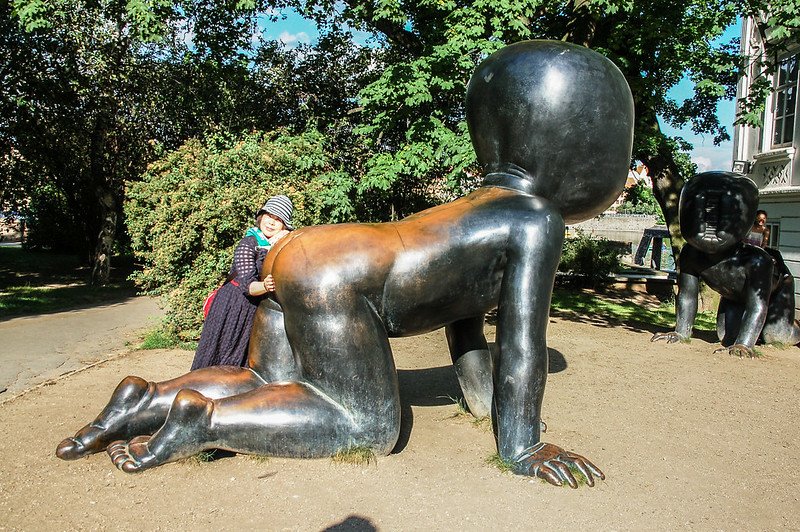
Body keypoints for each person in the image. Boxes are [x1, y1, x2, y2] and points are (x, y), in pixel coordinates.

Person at [189, 195, 294, 370]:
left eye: (278, 219)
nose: (271, 222)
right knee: (222, 355)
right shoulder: (249, 242)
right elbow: (247, 284)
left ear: (284, 226)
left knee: (242, 361)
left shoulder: (278, 246)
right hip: (234, 304)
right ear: (261, 217)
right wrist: (265, 286)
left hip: (254, 308)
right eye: (269, 216)